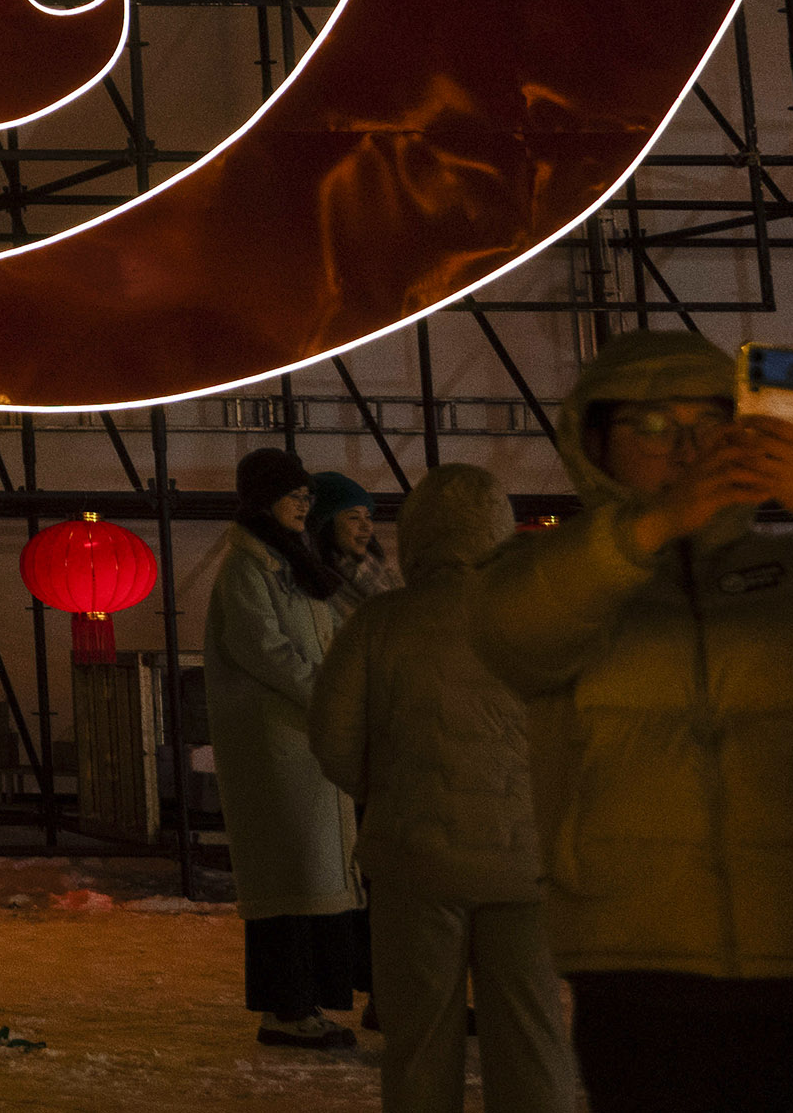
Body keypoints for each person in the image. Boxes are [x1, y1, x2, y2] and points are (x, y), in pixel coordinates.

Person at [469, 326, 793, 1113]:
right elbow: (516, 634)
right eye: (654, 426)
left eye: (712, 424)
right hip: (643, 960)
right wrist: (652, 525)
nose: (689, 449)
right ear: (594, 441)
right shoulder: (557, 574)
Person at [309, 463, 574, 1113]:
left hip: (414, 862)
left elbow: (333, 738)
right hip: (525, 866)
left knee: (420, 1041)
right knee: (532, 1037)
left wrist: (386, 787)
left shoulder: (379, 622)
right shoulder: (541, 619)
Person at [208, 444, 364, 1049]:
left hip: (301, 738)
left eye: (306, 496)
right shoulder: (248, 567)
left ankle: (303, 1004)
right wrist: (328, 692)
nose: (302, 505)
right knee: (289, 874)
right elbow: (265, 649)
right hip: (276, 740)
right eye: (292, 495)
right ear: (263, 499)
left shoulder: (286, 562)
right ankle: (286, 1008)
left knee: (309, 872)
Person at [311, 470, 400, 604]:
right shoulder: (319, 587)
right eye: (354, 517)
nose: (366, 526)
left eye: (368, 517)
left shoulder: (384, 573)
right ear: (326, 526)